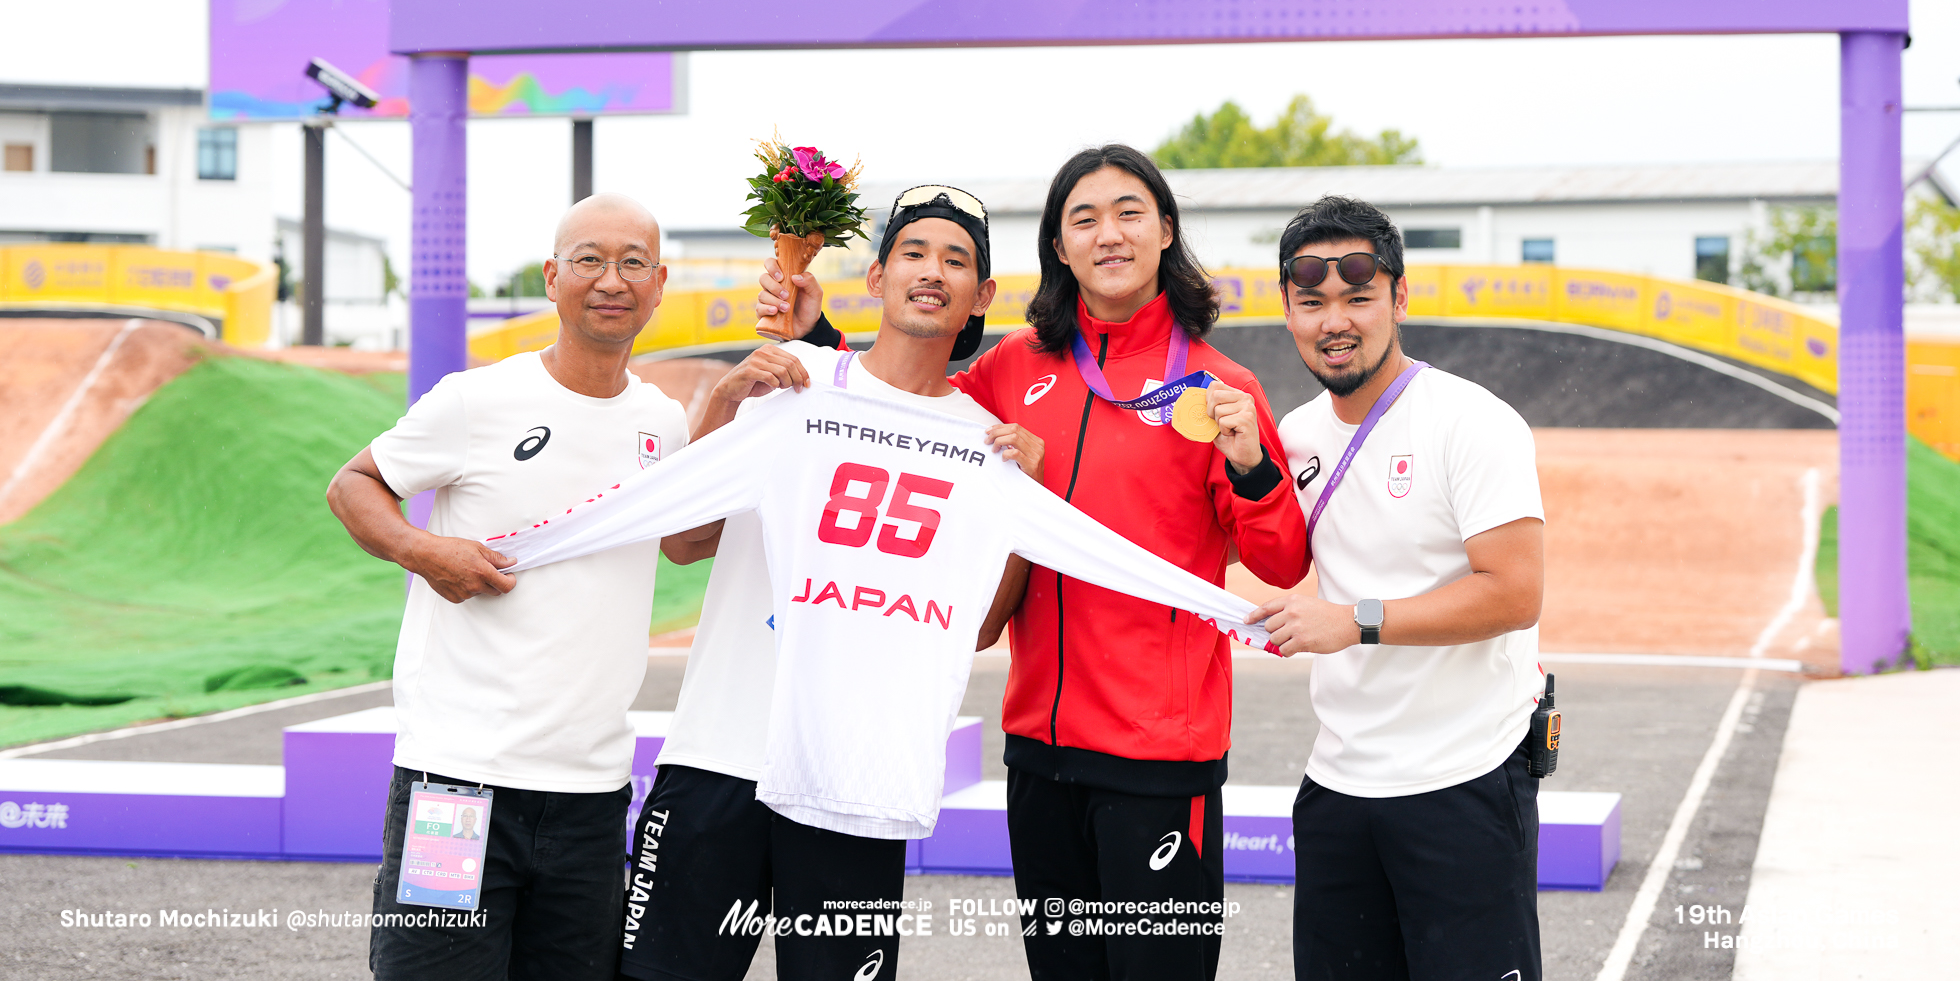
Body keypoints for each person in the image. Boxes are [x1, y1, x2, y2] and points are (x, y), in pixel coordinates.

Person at [761, 149, 1308, 978]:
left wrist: (1252, 467)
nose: (1109, 234)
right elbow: (909, 408)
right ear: (1059, 246)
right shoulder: (1014, 367)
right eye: (1083, 218)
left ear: (1165, 229)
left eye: (1129, 212)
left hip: (1159, 759)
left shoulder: (1219, 385)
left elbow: (1281, 560)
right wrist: (819, 337)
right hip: (1040, 752)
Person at [616, 187, 1040, 981]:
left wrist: (1022, 505)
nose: (932, 271)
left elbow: (979, 626)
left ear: (981, 295)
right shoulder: (792, 378)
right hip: (720, 756)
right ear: (876, 275)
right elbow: (683, 541)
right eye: (914, 253)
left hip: (854, 778)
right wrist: (727, 401)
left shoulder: (986, 440)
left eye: (956, 260)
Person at [325, 193, 701, 979]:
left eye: (633, 262)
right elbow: (354, 485)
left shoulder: (663, 425)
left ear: (659, 283)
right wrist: (427, 551)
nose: (612, 279)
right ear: (552, 275)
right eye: (590, 259)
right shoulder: (477, 400)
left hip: (592, 795)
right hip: (457, 783)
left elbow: (687, 543)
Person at [1247, 196, 1547, 981]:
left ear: (1400, 297)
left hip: (1464, 781)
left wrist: (1356, 621)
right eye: (1312, 302)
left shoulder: (1471, 422)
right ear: (1288, 309)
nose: (1334, 320)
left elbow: (1514, 593)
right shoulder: (1296, 435)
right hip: (1338, 785)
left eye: (1358, 296)